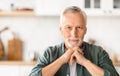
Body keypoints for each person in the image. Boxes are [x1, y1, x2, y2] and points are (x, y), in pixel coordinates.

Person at [29, 6, 119, 76]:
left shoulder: (98, 53)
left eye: (79, 27)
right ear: (61, 30)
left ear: (85, 30)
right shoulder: (49, 53)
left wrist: (85, 62)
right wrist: (62, 59)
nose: (74, 34)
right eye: (68, 27)